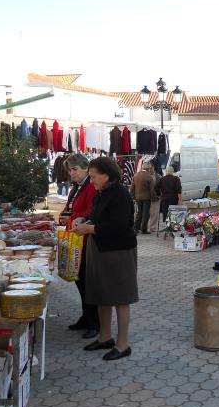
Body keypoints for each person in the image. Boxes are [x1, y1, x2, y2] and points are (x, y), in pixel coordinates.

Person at [73, 157, 138, 361]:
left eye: (94, 177)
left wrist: (90, 228)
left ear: (106, 176)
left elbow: (118, 226)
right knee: (102, 296)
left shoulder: (120, 195)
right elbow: (97, 216)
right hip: (100, 251)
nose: (91, 181)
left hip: (119, 252)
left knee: (120, 298)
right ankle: (105, 337)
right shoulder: (101, 193)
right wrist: (83, 219)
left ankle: (123, 344)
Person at [61, 154, 99, 339]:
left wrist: (76, 217)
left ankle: (94, 322)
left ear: (85, 168)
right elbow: (72, 208)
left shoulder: (91, 186)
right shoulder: (77, 187)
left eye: (75, 169)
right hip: (76, 239)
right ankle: (86, 317)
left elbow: (92, 211)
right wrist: (65, 215)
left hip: (86, 240)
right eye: (70, 170)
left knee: (86, 282)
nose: (72, 173)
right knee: (80, 280)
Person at [130, 163, 154, 235]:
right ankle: (143, 229)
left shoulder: (136, 175)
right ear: (148, 169)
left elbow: (132, 188)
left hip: (138, 197)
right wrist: (154, 197)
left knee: (139, 213)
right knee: (146, 214)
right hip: (147, 198)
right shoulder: (149, 177)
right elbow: (152, 190)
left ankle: (136, 228)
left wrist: (133, 197)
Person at [148, 162, 161, 233]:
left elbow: (161, 186)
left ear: (153, 168)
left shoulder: (158, 176)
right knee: (147, 213)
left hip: (156, 197)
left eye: (151, 168)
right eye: (149, 168)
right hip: (147, 197)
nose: (150, 169)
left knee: (155, 213)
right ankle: (144, 226)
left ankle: (152, 227)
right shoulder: (146, 176)